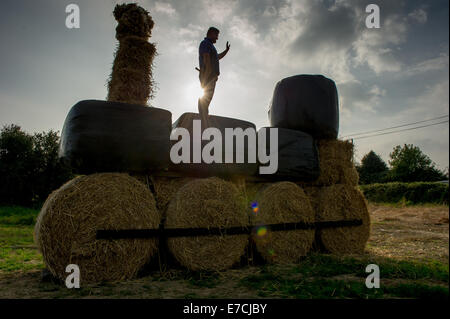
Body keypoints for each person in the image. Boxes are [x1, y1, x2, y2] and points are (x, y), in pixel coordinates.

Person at [197, 27, 230, 120]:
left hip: (210, 75)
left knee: (208, 97)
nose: (217, 38)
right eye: (216, 35)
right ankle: (203, 116)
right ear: (211, 33)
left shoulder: (211, 46)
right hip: (207, 74)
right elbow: (206, 58)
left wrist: (226, 50)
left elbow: (217, 57)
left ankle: (204, 114)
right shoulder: (205, 43)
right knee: (206, 96)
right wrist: (207, 75)